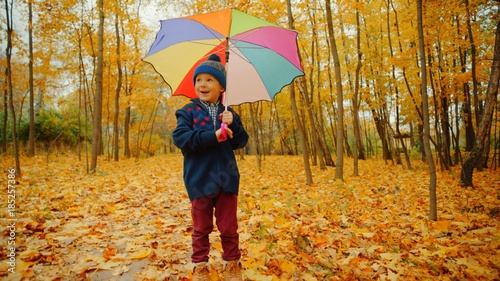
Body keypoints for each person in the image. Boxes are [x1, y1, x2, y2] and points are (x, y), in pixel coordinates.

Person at [172, 53, 249, 281]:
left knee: (228, 227)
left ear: (221, 86)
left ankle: (232, 262)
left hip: (227, 179)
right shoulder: (188, 111)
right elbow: (181, 138)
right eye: (199, 80)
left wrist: (232, 123)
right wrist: (213, 136)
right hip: (199, 179)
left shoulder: (229, 112)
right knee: (201, 227)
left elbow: (240, 141)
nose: (202, 84)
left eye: (209, 80)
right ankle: (200, 265)